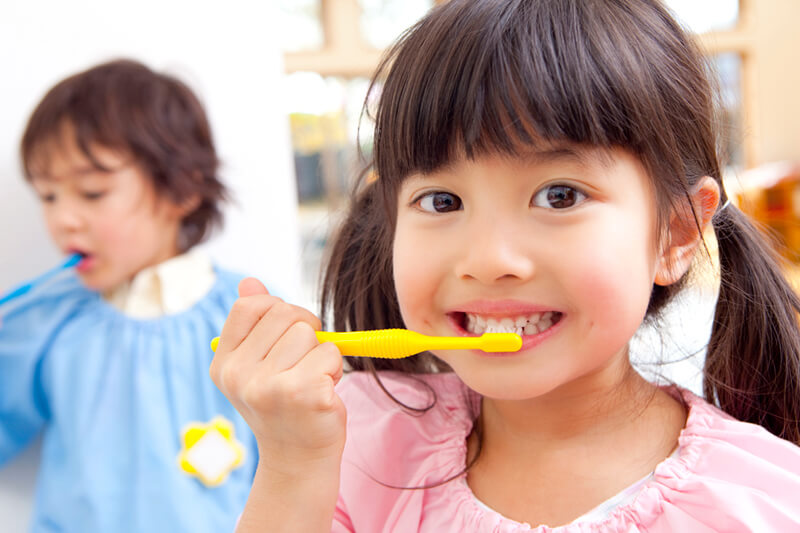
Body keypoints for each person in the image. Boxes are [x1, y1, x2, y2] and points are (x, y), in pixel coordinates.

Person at [210, 0, 800, 531]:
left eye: (560, 195)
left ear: (675, 233)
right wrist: (291, 466)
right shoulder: (351, 445)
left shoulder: (767, 503)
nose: (490, 260)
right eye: (442, 202)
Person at [0, 59, 258, 532]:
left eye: (92, 193)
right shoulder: (48, 322)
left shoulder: (249, 317)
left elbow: (303, 462)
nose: (63, 220)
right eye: (48, 197)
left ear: (183, 190)